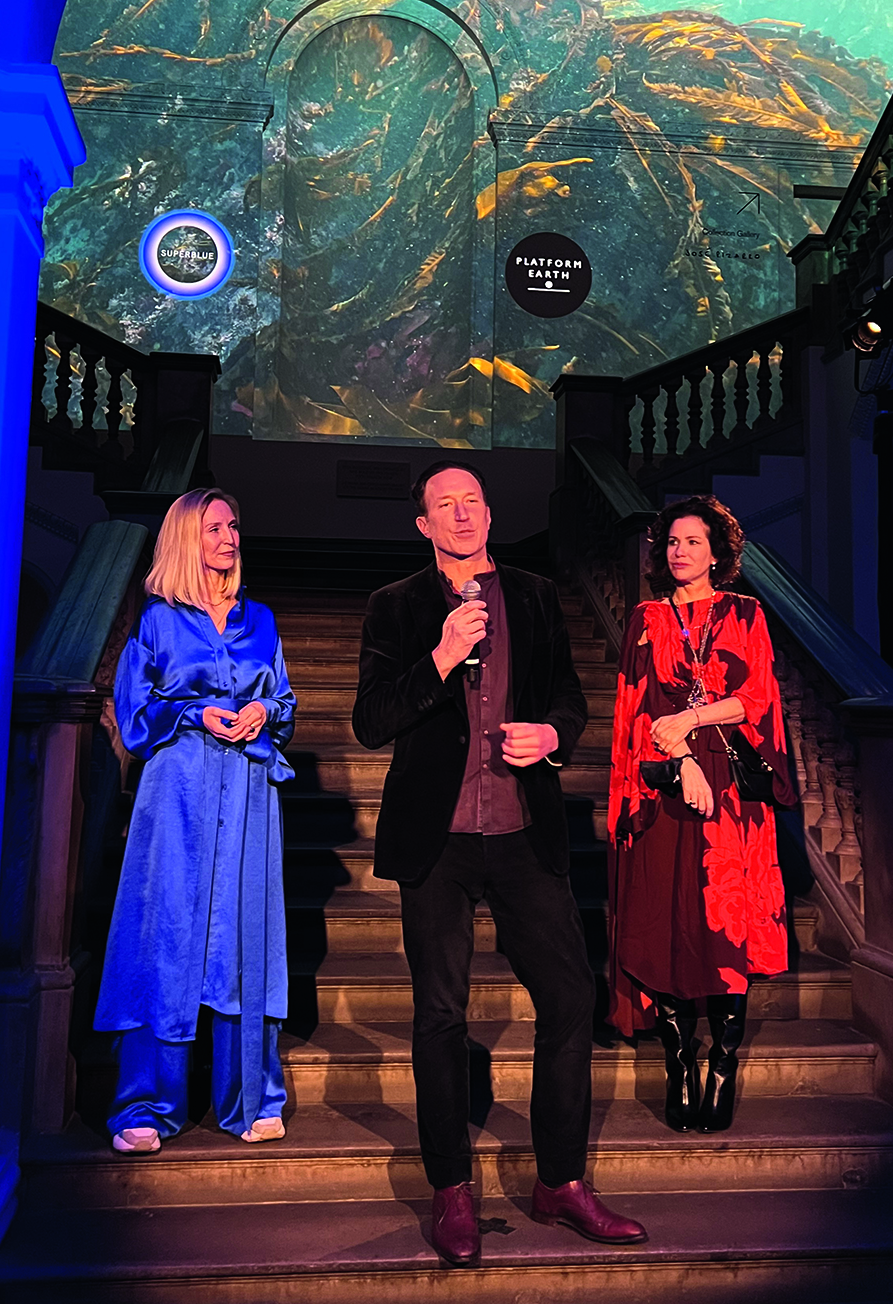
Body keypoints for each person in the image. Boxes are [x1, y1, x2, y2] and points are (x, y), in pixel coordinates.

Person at [352, 460, 647, 1264]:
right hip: (437, 840)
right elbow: (371, 720)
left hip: (523, 831)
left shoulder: (537, 595)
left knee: (568, 997)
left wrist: (552, 736)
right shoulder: (397, 607)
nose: (461, 514)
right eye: (443, 505)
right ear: (423, 525)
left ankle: (560, 1182)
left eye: (472, 501)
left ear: (489, 513)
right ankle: (452, 1191)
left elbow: (571, 700)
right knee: (441, 1015)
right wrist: (443, 656)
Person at [95, 488, 297, 1154]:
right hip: (177, 790)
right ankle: (146, 1104)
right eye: (215, 527)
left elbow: (285, 698)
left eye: (234, 525)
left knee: (243, 931)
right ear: (186, 537)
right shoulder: (157, 623)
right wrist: (191, 713)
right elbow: (133, 713)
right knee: (166, 930)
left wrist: (264, 713)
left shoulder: (259, 619)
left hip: (247, 788)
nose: (229, 536)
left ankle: (251, 1098)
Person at [607, 495, 795, 1134]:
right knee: (667, 921)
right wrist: (679, 752)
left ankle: (724, 1062)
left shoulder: (746, 612)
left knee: (723, 927)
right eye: (672, 542)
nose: (680, 550)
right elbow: (634, 707)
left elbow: (757, 698)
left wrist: (690, 718)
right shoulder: (646, 617)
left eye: (693, 540)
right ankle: (679, 1061)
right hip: (662, 779)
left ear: (718, 552)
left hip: (732, 787)